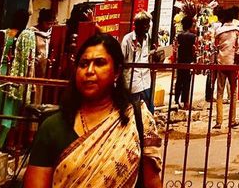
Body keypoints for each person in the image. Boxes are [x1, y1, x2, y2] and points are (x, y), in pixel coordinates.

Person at [25, 32, 161, 188]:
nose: (89, 70)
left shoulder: (137, 121)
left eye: (99, 63)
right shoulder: (53, 127)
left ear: (116, 72)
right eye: (83, 64)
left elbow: (152, 183)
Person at [0, 9, 37, 152]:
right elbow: (29, 61)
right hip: (14, 77)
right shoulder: (27, 35)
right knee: (7, 113)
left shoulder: (5, 33)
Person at [213, 6, 239, 130]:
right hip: (232, 64)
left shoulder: (218, 32)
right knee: (233, 92)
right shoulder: (238, 31)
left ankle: (218, 121)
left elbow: (214, 47)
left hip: (221, 63)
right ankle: (232, 119)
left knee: (219, 92)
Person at [121, 13, 154, 113]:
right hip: (133, 82)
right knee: (135, 113)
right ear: (137, 25)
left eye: (148, 24)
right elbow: (121, 59)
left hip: (146, 80)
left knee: (149, 110)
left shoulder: (147, 38)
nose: (147, 27)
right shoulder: (127, 39)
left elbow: (147, 55)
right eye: (145, 25)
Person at [173, 15, 197, 112]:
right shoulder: (193, 36)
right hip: (188, 61)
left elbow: (175, 48)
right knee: (187, 81)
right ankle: (186, 102)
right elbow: (194, 49)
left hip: (180, 61)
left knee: (179, 81)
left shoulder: (179, 36)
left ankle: (176, 100)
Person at [34, 9, 55, 77]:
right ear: (41, 22)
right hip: (35, 66)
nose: (50, 26)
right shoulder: (32, 33)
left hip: (47, 68)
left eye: (52, 24)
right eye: (48, 24)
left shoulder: (52, 33)